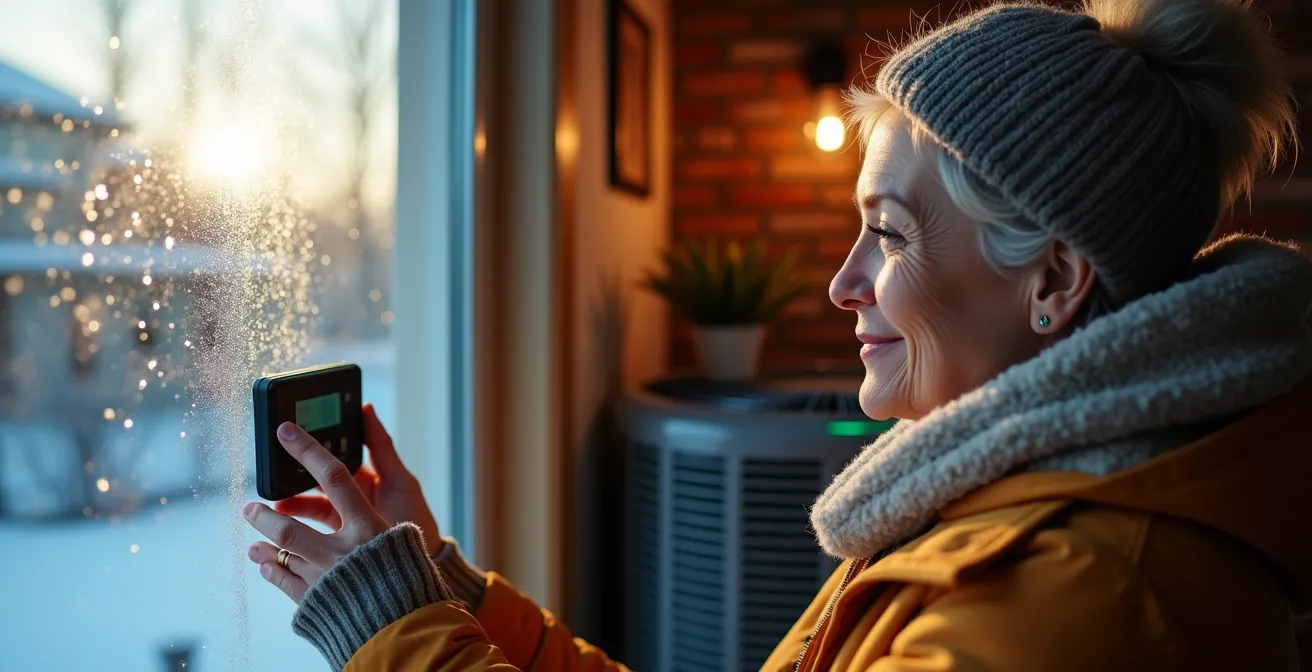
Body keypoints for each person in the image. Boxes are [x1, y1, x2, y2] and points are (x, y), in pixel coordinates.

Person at [242, 0, 1312, 668]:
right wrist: (443, 595)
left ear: (1056, 278)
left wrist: (398, 641)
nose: (842, 284)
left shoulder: (1072, 604)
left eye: (886, 234)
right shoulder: (997, 504)